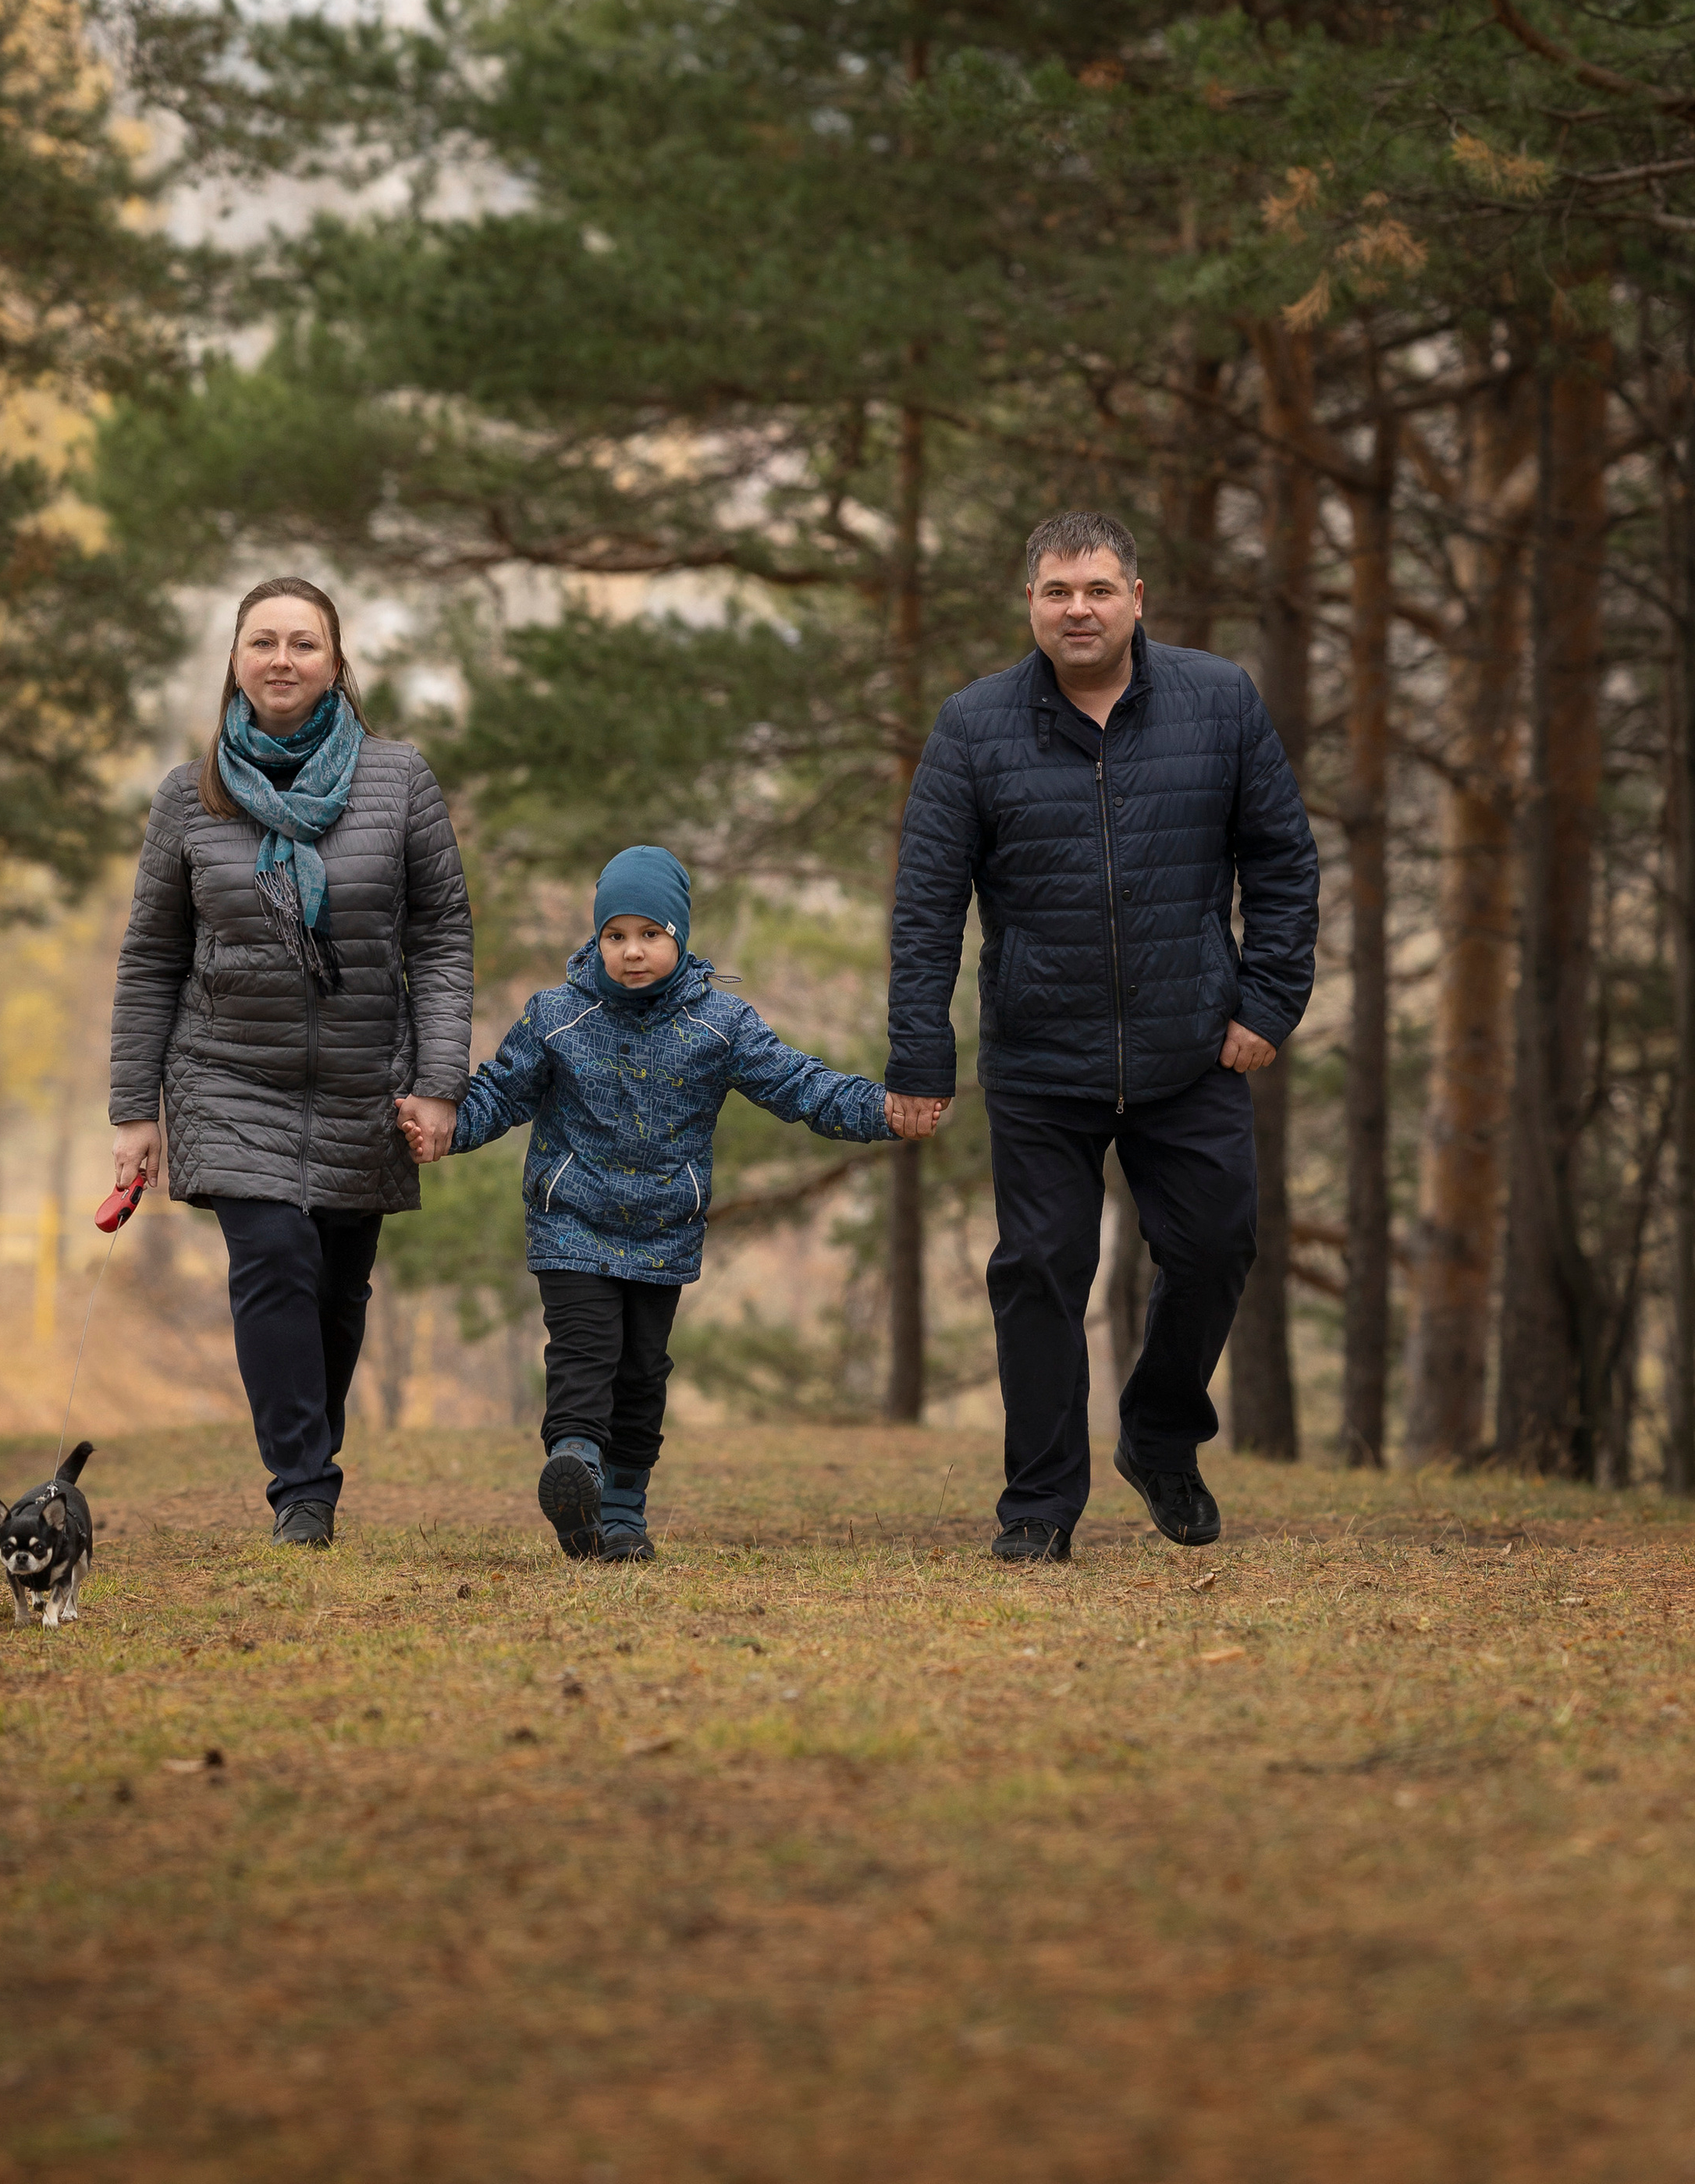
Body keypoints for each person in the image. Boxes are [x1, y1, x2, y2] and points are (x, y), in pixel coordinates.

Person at [887, 513, 1318, 1563]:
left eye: (1097, 589)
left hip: (1194, 1053)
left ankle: (1162, 1433)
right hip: (1041, 1061)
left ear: (1138, 598)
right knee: (1040, 1270)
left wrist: (1267, 1005)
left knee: (1217, 1248)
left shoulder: (1220, 701)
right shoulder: (973, 727)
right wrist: (919, 1055)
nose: (1077, 609)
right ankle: (1038, 1507)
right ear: (1030, 604)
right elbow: (926, 906)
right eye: (1056, 592)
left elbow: (1284, 864)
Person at [401, 844, 899, 1561]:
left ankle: (622, 1514)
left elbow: (801, 1086)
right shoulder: (556, 1016)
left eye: (650, 934)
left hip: (664, 1230)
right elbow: (497, 1096)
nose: (632, 952)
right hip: (572, 1222)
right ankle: (575, 1469)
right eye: (615, 936)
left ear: (680, 937)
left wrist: (881, 1108)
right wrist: (443, 1133)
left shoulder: (719, 1025)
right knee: (585, 1353)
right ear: (596, 939)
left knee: (641, 1375)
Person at [109, 576, 472, 1546]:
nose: (281, 660)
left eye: (302, 644)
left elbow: (439, 936)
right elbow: (151, 955)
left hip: (365, 1079)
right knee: (271, 1258)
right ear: (233, 661)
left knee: (336, 1292)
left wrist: (439, 1083)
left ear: (337, 663)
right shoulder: (190, 798)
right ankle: (303, 1491)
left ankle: (308, 1457)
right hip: (228, 1075)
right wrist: (134, 1109)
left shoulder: (399, 780)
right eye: (262, 642)